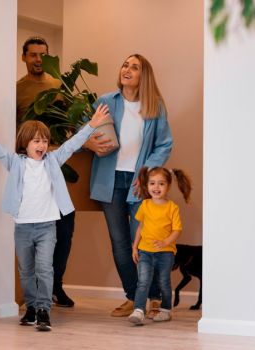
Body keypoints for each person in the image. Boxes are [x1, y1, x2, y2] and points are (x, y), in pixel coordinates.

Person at [0, 105, 110, 331]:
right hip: (23, 228)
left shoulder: (53, 160)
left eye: (45, 141)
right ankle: (30, 308)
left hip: (47, 226)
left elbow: (72, 144)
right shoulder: (16, 163)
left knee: (44, 268)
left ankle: (43, 310)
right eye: (36, 141)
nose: (42, 145)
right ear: (25, 144)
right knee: (26, 271)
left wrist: (92, 125)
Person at [83, 54, 173, 317]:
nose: (128, 70)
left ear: (144, 75)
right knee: (119, 242)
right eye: (125, 65)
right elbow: (85, 131)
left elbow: (164, 144)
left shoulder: (155, 106)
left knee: (144, 240)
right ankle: (134, 297)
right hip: (109, 182)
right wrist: (88, 143)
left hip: (138, 183)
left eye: (135, 67)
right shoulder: (106, 101)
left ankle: (154, 296)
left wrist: (145, 173)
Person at [16, 36, 76, 307]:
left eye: (43, 54)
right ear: (24, 58)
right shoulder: (17, 90)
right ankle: (35, 294)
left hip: (57, 168)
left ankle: (56, 286)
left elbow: (71, 124)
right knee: (35, 233)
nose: (39, 59)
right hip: (31, 174)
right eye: (33, 55)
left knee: (64, 227)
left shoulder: (59, 87)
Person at [128, 166, 192, 324]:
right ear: (147, 185)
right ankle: (139, 310)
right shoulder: (145, 205)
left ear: (168, 186)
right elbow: (140, 227)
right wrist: (135, 247)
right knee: (143, 281)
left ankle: (166, 310)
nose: (156, 187)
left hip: (166, 253)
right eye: (152, 183)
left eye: (161, 184)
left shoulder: (172, 208)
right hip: (145, 251)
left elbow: (177, 230)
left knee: (163, 281)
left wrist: (165, 242)